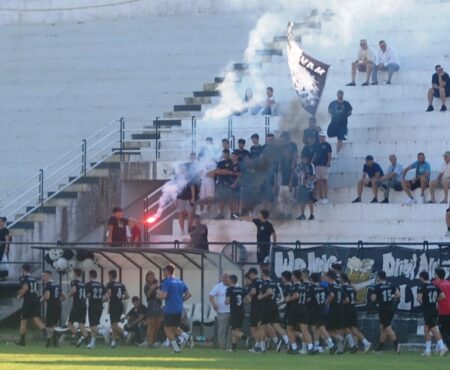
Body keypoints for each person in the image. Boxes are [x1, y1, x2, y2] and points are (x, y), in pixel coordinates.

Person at [158, 264, 192, 353]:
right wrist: (180, 301)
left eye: (164, 271)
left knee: (166, 329)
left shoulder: (167, 282)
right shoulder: (180, 281)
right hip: (179, 309)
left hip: (170, 309)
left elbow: (163, 296)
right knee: (173, 328)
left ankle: (176, 348)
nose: (163, 273)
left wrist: (159, 294)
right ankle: (187, 337)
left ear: (166, 271)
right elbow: (189, 294)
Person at [416, 271, 448, 356]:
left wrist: (423, 301)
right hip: (434, 308)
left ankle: (442, 347)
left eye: (420, 277)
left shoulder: (422, 287)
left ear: (422, 277)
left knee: (433, 328)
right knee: (426, 328)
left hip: (427, 310)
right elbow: (443, 296)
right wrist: (434, 300)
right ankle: (427, 350)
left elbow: (419, 298)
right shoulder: (435, 285)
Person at [285, 270, 316, 355]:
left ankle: (294, 348)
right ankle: (310, 347)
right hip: (304, 308)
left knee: (289, 328)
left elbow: (296, 295)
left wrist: (288, 299)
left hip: (295, 308)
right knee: (305, 330)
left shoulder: (295, 286)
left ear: (294, 276)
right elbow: (308, 298)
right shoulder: (304, 286)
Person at [16, 264, 47, 346]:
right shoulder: (34, 278)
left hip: (28, 301)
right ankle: (45, 331)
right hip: (35, 300)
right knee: (36, 319)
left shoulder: (23, 278)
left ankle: (22, 341)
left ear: (23, 269)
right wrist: (22, 291)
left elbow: (26, 288)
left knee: (23, 320)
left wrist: (20, 294)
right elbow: (34, 289)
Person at [370, 270, 401, 354]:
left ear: (379, 277)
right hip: (390, 308)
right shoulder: (390, 285)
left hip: (383, 309)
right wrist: (392, 299)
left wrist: (377, 298)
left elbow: (373, 298)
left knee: (387, 327)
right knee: (383, 327)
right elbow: (398, 295)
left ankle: (396, 344)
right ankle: (380, 348)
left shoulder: (377, 286)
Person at [340, 273, 372, 353]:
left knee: (345, 328)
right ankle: (366, 342)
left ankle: (352, 345)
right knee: (354, 330)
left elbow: (345, 300)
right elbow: (356, 290)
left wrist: (340, 304)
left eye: (340, 278)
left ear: (342, 279)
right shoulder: (351, 287)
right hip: (353, 309)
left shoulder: (343, 288)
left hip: (347, 310)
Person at [309, 272, 335, 352]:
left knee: (321, 327)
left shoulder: (311, 288)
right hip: (322, 309)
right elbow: (332, 295)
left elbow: (308, 298)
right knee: (315, 328)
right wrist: (326, 302)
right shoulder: (323, 286)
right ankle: (316, 346)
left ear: (311, 279)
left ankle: (331, 344)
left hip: (315, 309)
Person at [41, 270, 65, 348]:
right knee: (54, 324)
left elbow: (47, 296)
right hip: (58, 306)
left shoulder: (48, 285)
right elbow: (64, 296)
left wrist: (40, 300)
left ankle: (49, 340)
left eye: (44, 276)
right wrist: (57, 301)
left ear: (48, 276)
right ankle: (55, 342)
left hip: (51, 306)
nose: (43, 277)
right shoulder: (57, 284)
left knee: (49, 324)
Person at [106, 269, 130, 348]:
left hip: (113, 305)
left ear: (111, 276)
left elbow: (109, 295)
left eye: (109, 276)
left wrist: (105, 299)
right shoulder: (121, 284)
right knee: (114, 324)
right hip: (120, 305)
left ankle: (125, 333)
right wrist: (120, 298)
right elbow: (127, 295)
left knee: (114, 325)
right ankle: (113, 342)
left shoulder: (110, 284)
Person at [325, 270, 346, 354]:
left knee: (326, 330)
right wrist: (339, 303)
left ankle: (340, 339)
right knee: (338, 329)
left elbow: (331, 296)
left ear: (329, 277)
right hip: (340, 310)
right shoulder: (339, 286)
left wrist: (326, 303)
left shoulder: (329, 286)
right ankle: (340, 349)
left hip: (332, 310)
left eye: (326, 276)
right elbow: (346, 299)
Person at [67, 268, 89, 348]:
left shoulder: (74, 282)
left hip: (77, 304)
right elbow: (87, 295)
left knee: (69, 324)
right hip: (84, 304)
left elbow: (73, 290)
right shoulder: (84, 283)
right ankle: (87, 343)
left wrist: (68, 296)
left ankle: (79, 336)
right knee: (82, 324)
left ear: (75, 273)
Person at [225, 274, 247, 352]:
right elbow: (249, 300)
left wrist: (226, 301)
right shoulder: (242, 289)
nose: (227, 280)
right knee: (237, 329)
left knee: (233, 330)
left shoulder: (229, 289)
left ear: (231, 280)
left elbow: (227, 301)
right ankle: (233, 347)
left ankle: (245, 338)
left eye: (228, 279)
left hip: (234, 311)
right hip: (242, 311)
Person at [209, 273, 231, 350]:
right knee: (222, 329)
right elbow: (211, 296)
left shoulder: (235, 285)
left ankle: (229, 346)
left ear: (230, 278)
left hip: (232, 311)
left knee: (231, 329)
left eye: (226, 278)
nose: (224, 279)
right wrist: (214, 304)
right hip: (222, 312)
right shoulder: (218, 286)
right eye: (223, 278)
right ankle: (222, 346)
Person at [85, 269, 106, 349]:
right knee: (95, 324)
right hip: (100, 306)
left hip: (92, 306)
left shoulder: (88, 285)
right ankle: (93, 343)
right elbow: (107, 297)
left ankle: (102, 331)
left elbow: (88, 295)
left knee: (92, 326)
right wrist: (100, 301)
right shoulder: (101, 284)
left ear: (90, 275)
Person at [327, 90, 353, 155]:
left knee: (340, 138)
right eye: (339, 94)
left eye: (341, 94)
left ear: (342, 95)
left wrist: (344, 116)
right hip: (334, 123)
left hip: (343, 124)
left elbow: (350, 112)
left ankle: (337, 151)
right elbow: (329, 111)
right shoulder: (333, 103)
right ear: (337, 95)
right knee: (329, 134)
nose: (340, 95)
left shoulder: (346, 104)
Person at [245, 268, 264, 353]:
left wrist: (247, 295)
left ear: (252, 273)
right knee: (259, 327)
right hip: (262, 306)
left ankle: (259, 345)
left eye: (249, 274)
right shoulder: (262, 281)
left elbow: (253, 291)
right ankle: (259, 345)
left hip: (256, 306)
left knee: (254, 328)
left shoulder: (254, 281)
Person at [143, 271, 163, 347]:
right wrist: (152, 288)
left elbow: (161, 293)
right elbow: (147, 295)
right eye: (150, 277)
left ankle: (153, 340)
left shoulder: (158, 285)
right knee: (151, 325)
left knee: (157, 325)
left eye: (153, 276)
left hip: (158, 305)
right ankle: (149, 342)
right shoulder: (146, 286)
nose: (151, 278)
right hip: (151, 306)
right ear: (147, 278)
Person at [176, 163, 197, 234]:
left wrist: (193, 197)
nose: (182, 169)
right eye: (181, 168)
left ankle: (190, 230)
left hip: (188, 198)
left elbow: (192, 187)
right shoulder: (177, 177)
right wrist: (174, 200)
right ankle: (182, 231)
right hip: (179, 198)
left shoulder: (189, 177)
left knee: (190, 214)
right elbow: (174, 189)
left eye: (183, 168)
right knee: (180, 214)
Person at [433, 268, 450, 347]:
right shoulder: (448, 283)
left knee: (443, 331)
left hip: (443, 310)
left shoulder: (438, 285)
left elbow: (440, 297)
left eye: (435, 274)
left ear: (437, 275)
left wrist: (435, 300)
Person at [295, 155, 315, 220]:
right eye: (303, 159)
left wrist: (307, 180)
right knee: (302, 200)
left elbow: (313, 176)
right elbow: (296, 172)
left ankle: (312, 215)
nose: (304, 160)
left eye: (305, 159)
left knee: (310, 200)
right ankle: (302, 214)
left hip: (309, 186)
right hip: (301, 185)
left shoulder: (311, 165)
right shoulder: (299, 166)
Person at [314, 132, 332, 204]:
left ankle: (325, 197)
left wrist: (328, 163)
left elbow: (329, 155)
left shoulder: (327, 145)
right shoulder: (317, 145)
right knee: (318, 182)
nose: (320, 138)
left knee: (324, 181)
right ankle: (321, 198)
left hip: (324, 165)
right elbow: (315, 155)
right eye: (320, 136)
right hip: (317, 165)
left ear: (324, 137)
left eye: (322, 136)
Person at [277, 146, 295, 219]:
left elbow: (292, 172)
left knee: (289, 200)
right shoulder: (282, 160)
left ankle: (289, 213)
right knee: (281, 200)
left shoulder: (291, 160)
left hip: (289, 183)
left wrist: (291, 182)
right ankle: (283, 213)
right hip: (282, 183)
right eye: (284, 151)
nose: (285, 152)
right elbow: (279, 172)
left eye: (287, 151)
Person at [214, 149, 232, 219]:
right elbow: (217, 172)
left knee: (230, 199)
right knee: (220, 199)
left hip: (229, 182)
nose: (225, 155)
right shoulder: (220, 163)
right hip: (221, 182)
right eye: (224, 154)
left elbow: (229, 171)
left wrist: (223, 171)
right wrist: (224, 171)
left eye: (226, 154)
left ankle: (232, 214)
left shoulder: (231, 162)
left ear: (228, 154)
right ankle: (221, 214)